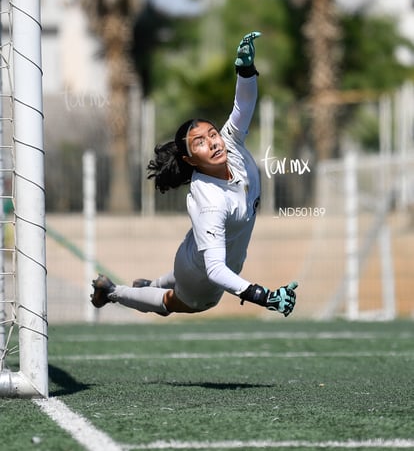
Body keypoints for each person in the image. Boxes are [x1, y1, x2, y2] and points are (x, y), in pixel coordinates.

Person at [91, 31, 298, 317]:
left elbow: (244, 104)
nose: (213, 142)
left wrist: (245, 69)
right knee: (168, 304)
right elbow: (215, 270)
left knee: (174, 276)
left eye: (212, 134)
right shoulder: (209, 200)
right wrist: (265, 296)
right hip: (202, 279)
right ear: (190, 159)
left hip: (193, 251)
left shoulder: (231, 144)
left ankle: (149, 284)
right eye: (200, 142)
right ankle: (112, 291)